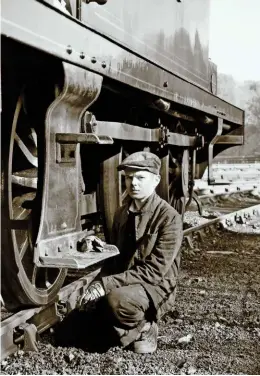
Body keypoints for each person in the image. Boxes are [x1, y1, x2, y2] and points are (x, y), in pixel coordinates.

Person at [79, 151, 183, 353]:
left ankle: (146, 328)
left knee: (117, 302)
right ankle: (119, 329)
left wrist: (104, 285)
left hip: (156, 287)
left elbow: (154, 272)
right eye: (129, 177)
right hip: (127, 282)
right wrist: (98, 254)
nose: (133, 183)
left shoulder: (169, 217)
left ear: (156, 181)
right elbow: (115, 259)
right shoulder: (122, 212)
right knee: (75, 327)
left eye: (140, 178)